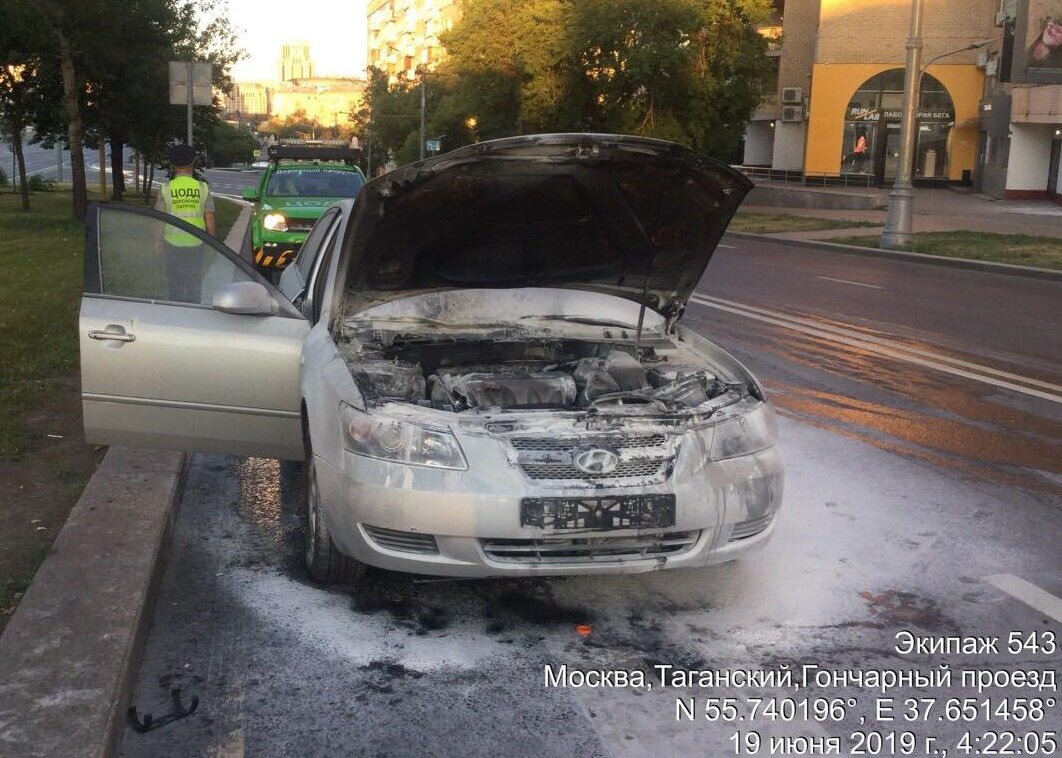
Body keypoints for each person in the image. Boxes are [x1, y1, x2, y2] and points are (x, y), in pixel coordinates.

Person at [155, 144, 216, 302]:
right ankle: (193, 308)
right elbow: (209, 217)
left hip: (172, 242)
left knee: (174, 280)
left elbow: (160, 219)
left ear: (172, 165)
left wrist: (157, 240)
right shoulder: (202, 188)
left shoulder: (166, 188)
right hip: (196, 241)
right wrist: (212, 241)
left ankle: (176, 310)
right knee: (194, 279)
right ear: (194, 162)